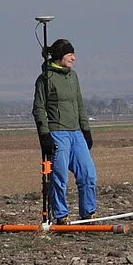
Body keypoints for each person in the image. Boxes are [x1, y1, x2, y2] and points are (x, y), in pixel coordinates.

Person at [32, 38, 97, 223]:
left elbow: (80, 103)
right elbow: (39, 108)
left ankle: (88, 213)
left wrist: (86, 129)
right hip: (57, 133)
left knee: (88, 174)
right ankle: (61, 216)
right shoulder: (45, 79)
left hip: (76, 133)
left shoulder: (73, 76)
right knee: (59, 177)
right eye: (70, 54)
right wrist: (44, 135)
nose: (74, 58)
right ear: (61, 56)